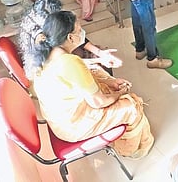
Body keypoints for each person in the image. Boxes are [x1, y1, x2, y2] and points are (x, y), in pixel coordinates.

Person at [28, 10, 154, 158]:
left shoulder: (45, 53)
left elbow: (74, 68)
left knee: (97, 72)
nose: (82, 33)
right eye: (79, 30)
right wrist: (120, 93)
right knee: (132, 105)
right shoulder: (69, 61)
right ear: (70, 37)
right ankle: (131, 150)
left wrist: (102, 66)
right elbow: (99, 102)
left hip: (59, 119)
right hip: (72, 126)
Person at [19, 0, 121, 79]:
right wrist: (99, 60)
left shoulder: (47, 24)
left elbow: (77, 37)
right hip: (57, 75)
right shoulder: (42, 41)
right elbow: (68, 63)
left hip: (63, 61)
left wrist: (99, 53)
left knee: (98, 52)